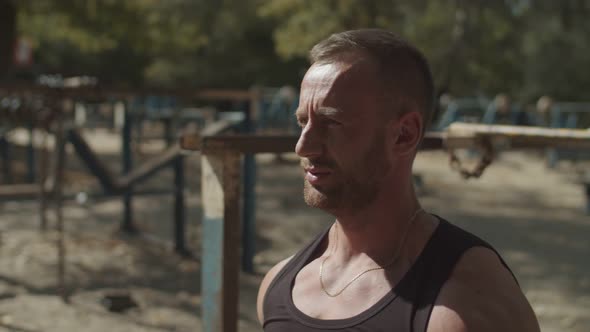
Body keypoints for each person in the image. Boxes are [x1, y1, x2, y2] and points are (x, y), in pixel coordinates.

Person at [256, 29, 540, 332]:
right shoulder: (278, 287)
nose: (303, 146)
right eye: (303, 122)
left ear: (404, 135)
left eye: (332, 123)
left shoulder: (466, 300)